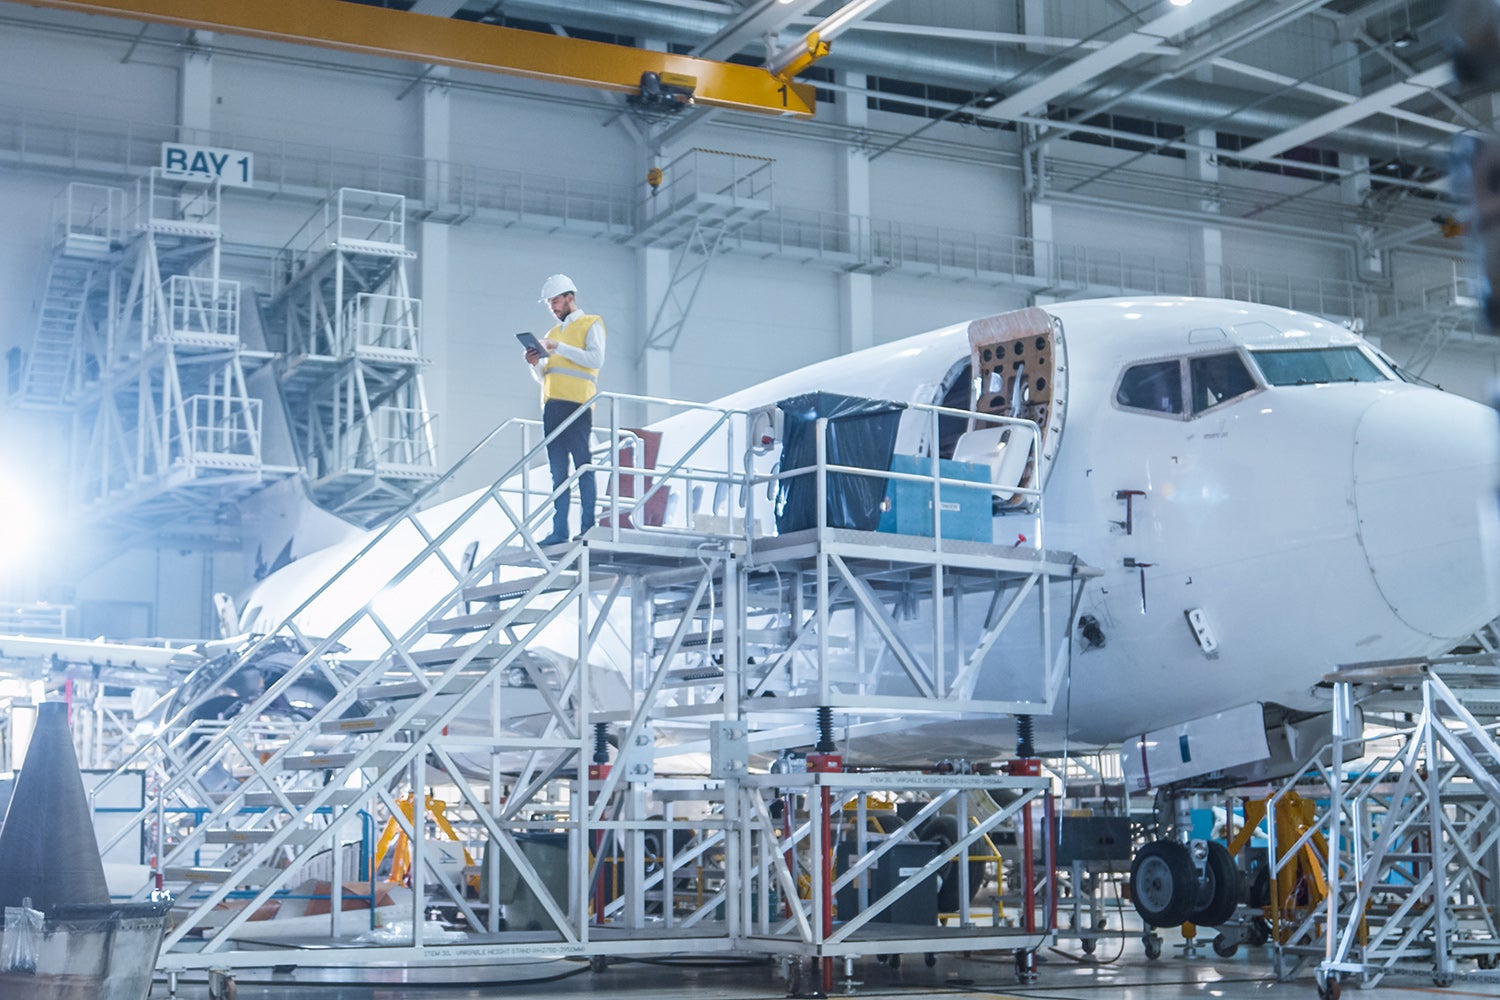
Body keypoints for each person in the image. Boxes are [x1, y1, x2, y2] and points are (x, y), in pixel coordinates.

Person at [525, 273, 606, 545]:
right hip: (552, 406)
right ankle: (559, 531)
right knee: (558, 471)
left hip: (578, 404)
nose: (552, 307)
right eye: (549, 303)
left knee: (583, 466)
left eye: (555, 301)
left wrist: (559, 347)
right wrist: (534, 362)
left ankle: (588, 527)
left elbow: (595, 359)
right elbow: (545, 375)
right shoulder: (551, 334)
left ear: (570, 298)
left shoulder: (589, 324)